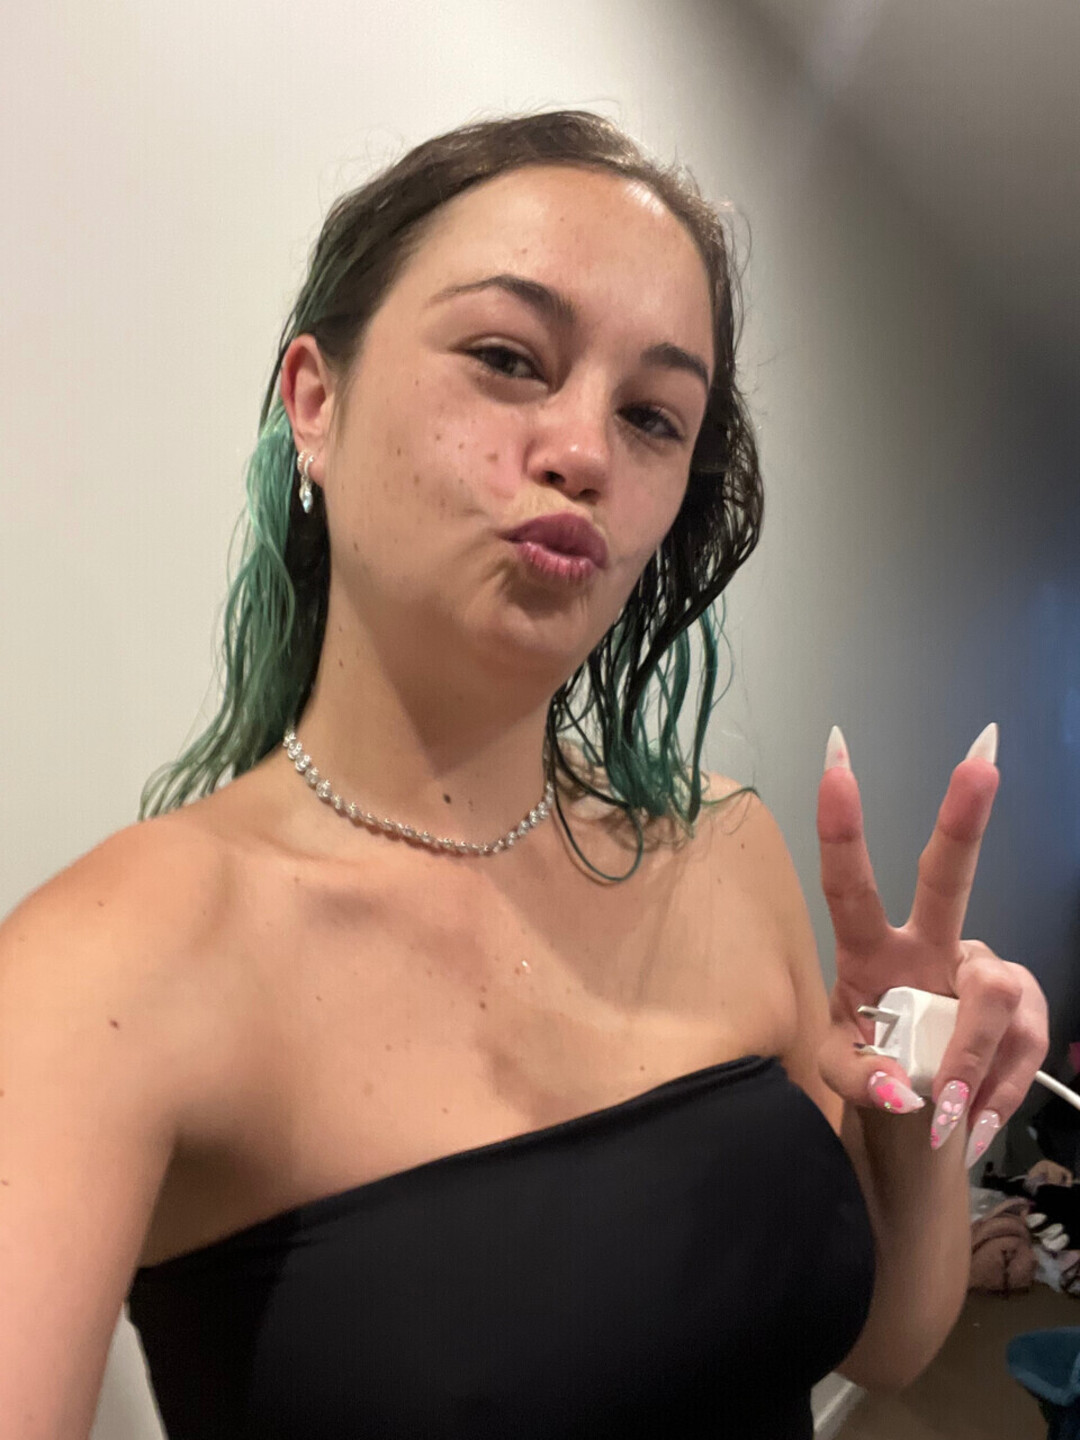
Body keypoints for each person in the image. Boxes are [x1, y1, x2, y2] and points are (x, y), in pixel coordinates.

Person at [0, 109, 1050, 1440]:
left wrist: (913, 1100)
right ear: (314, 401)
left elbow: (889, 1344)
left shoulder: (723, 851)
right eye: (506, 358)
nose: (585, 452)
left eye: (653, 417)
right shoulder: (107, 969)